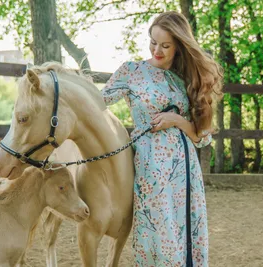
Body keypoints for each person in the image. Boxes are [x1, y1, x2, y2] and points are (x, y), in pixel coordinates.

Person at [101, 11, 223, 267]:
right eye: (153, 42)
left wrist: (177, 121)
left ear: (178, 46)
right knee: (157, 233)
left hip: (184, 171)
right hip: (150, 168)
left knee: (185, 235)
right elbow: (98, 103)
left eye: (165, 45)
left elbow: (202, 139)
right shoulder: (131, 71)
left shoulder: (187, 80)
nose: (157, 49)